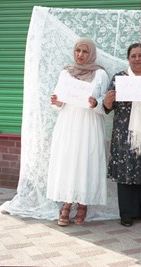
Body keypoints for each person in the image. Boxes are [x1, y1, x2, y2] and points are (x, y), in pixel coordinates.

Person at [46, 37, 109, 226]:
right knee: (68, 161)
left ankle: (83, 205)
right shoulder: (66, 73)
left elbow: (105, 103)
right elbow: (60, 101)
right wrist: (56, 102)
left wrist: (95, 103)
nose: (80, 55)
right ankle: (66, 202)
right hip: (69, 123)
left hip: (89, 123)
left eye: (85, 51)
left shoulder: (100, 74)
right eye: (77, 51)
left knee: (86, 161)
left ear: (91, 54)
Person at [103, 43, 141, 227]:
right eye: (133, 56)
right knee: (125, 171)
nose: (137, 59)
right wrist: (107, 101)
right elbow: (108, 108)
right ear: (128, 59)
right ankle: (126, 214)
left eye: (140, 55)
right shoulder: (119, 78)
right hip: (124, 132)